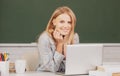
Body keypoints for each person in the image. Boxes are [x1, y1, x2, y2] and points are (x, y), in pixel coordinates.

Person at [37, 6, 79, 72]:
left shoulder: (74, 37)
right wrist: (60, 44)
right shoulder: (45, 38)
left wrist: (66, 52)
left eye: (69, 22)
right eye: (62, 22)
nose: (66, 26)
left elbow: (74, 68)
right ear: (54, 22)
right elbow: (52, 69)